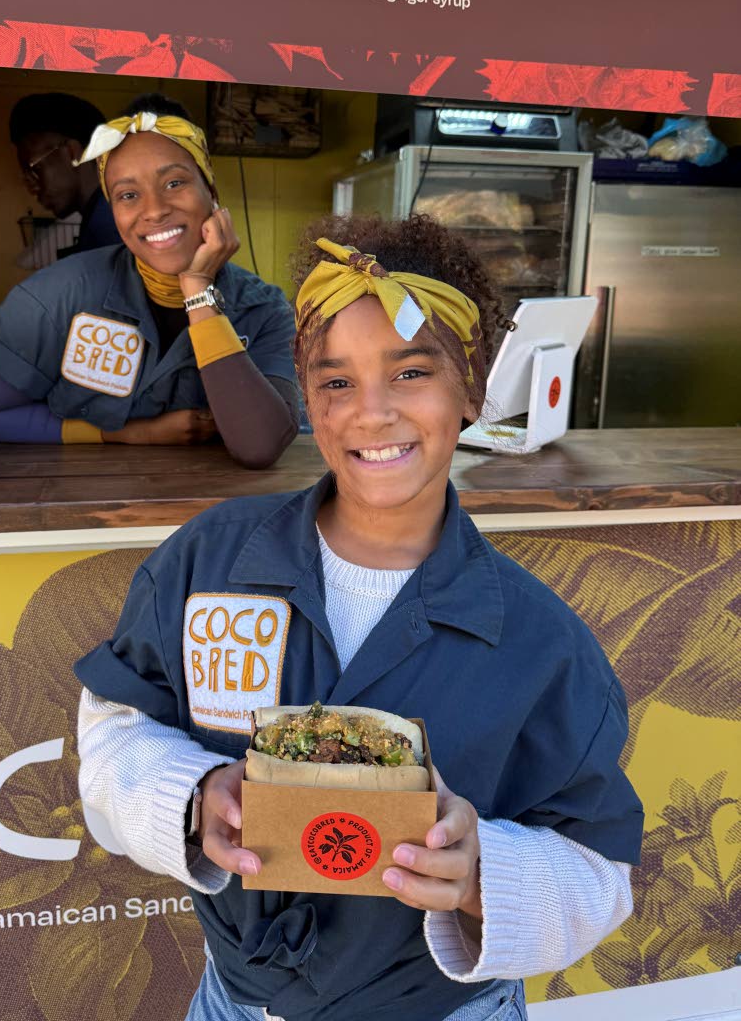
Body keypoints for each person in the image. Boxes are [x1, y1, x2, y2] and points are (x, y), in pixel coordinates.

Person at [73, 214, 644, 1021]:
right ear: (307, 397)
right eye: (336, 381)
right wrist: (192, 795)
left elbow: (599, 871)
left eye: (411, 372)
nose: (371, 413)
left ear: (472, 385)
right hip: (235, 1002)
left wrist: (484, 873)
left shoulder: (537, 639)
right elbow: (115, 721)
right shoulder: (210, 562)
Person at [0, 96, 299, 467]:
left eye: (174, 182)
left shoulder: (265, 310)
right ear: (114, 212)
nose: (155, 209)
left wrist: (198, 292)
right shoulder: (52, 300)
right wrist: (124, 433)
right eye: (128, 195)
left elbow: (261, 446)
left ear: (212, 193)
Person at [9, 92, 121, 252]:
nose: (31, 187)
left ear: (72, 154)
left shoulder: (109, 227)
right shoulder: (103, 214)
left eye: (35, 170)